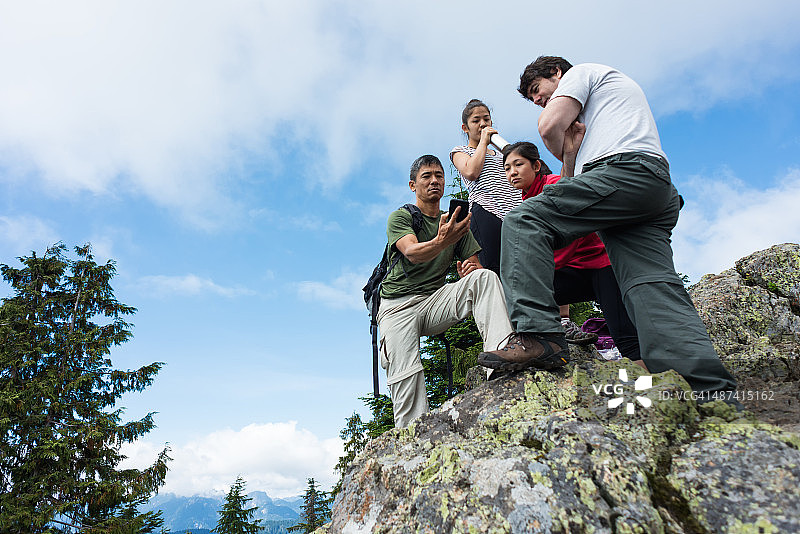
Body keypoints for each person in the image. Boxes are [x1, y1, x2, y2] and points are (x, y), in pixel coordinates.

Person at [479, 56, 738, 404]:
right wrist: (569, 154)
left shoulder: (583, 73)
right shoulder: (598, 120)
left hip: (625, 172)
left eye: (538, 91)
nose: (539, 101)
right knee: (650, 289)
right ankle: (709, 392)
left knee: (523, 219)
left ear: (557, 74)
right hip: (644, 193)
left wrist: (556, 139)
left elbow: (547, 127)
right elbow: (573, 188)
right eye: (533, 98)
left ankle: (541, 336)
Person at [379, 155, 513, 427]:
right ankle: (411, 437)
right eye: (426, 176)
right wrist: (441, 241)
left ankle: (501, 361)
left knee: (485, 278)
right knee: (407, 377)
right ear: (412, 185)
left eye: (439, 175)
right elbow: (412, 253)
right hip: (397, 306)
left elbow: (474, 265)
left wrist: (470, 270)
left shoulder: (454, 223)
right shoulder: (401, 217)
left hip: (432, 301)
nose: (434, 181)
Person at [451, 99, 595, 344]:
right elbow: (471, 172)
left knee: (539, 263)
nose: (483, 123)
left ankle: (562, 321)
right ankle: (512, 332)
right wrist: (484, 141)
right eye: (476, 120)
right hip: (487, 212)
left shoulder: (504, 152)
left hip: (518, 213)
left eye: (486, 119)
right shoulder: (461, 151)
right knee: (499, 274)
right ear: (465, 127)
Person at [502, 140, 643, 367]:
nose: (512, 172)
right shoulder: (526, 200)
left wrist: (535, 274)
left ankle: (649, 391)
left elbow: (569, 242)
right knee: (519, 294)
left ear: (536, 166)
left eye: (518, 165)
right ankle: (546, 340)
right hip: (573, 273)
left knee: (626, 337)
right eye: (507, 168)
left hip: (601, 266)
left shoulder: (554, 185)